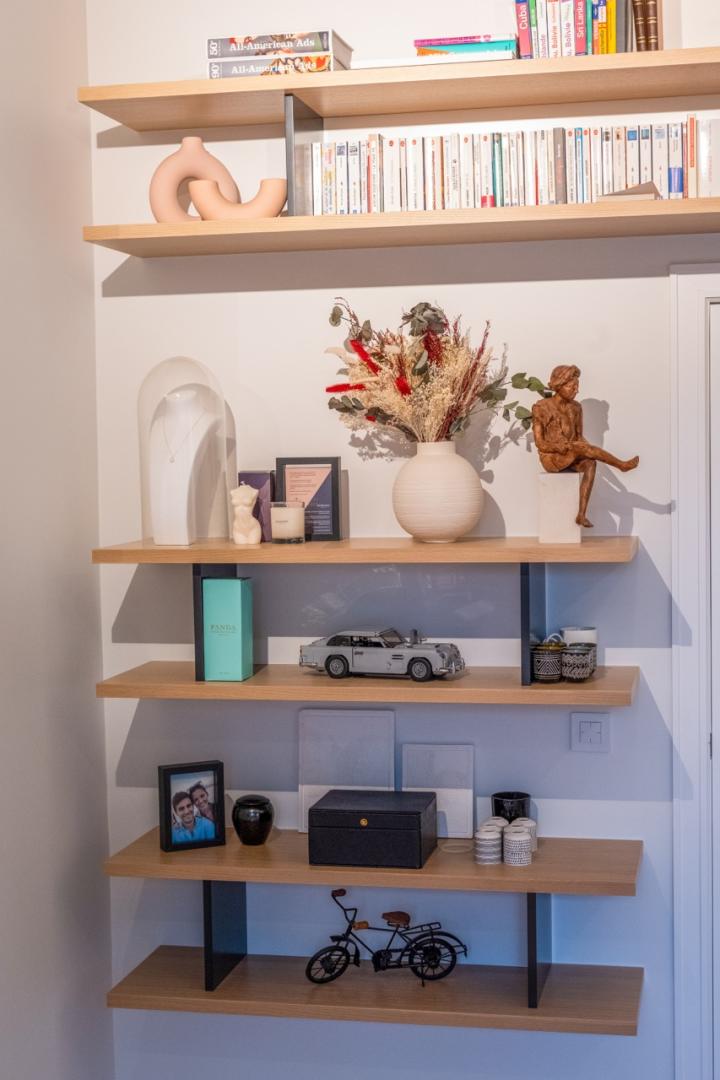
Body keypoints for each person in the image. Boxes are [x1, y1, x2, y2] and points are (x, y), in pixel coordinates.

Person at [532, 364, 639, 527]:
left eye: (577, 387)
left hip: (570, 453)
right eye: (572, 387)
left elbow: (579, 437)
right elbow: (540, 443)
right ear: (559, 385)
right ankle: (621, 465)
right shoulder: (542, 407)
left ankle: (581, 515)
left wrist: (587, 450)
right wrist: (558, 447)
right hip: (552, 457)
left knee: (590, 463)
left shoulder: (576, 408)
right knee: (581, 448)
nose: (576, 391)